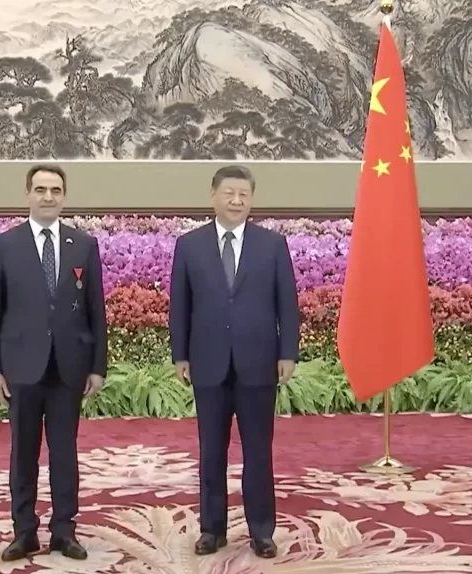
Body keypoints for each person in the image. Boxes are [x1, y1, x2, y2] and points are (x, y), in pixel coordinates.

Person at [169, 165, 300, 559]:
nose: (237, 201)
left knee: (258, 452)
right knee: (211, 451)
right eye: (229, 193)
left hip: (258, 363)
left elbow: (287, 303)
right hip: (208, 363)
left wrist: (288, 352)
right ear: (213, 196)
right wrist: (180, 355)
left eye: (244, 194)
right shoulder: (189, 245)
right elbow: (180, 305)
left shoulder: (272, 245)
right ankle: (212, 529)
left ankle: (261, 531)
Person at [0, 164, 108, 562]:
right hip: (21, 367)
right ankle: (24, 532)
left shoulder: (83, 245)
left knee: (64, 454)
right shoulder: (6, 245)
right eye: (40, 189)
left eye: (55, 190)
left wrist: (98, 367)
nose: (48, 196)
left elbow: (96, 310)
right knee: (23, 453)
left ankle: (64, 531)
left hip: (69, 367)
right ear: (28, 194)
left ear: (64, 196)